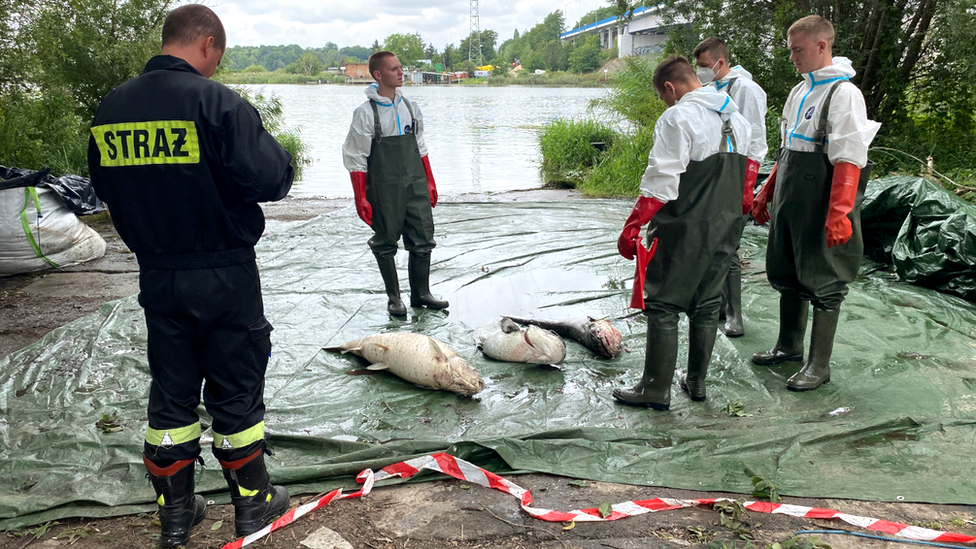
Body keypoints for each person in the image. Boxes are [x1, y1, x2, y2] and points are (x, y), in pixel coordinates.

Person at [87, 5, 292, 546]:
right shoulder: (217, 101)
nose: (215, 63)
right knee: (236, 388)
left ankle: (175, 515)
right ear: (207, 44)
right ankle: (253, 503)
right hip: (223, 272)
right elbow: (272, 179)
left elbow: (105, 188)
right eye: (217, 54)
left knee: (172, 393)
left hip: (157, 274)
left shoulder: (111, 109)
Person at [750, 15, 881, 391]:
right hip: (791, 193)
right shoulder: (799, 91)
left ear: (822, 46)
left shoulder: (844, 94)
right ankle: (788, 346)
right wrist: (766, 191)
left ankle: (818, 365)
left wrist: (840, 212)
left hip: (822, 196)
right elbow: (789, 147)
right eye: (790, 50)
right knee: (787, 270)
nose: (792, 56)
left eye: (798, 50)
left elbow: (848, 158)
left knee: (824, 277)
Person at [616, 55, 751, 410]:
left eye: (664, 96)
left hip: (684, 226)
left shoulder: (677, 117)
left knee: (662, 304)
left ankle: (655, 389)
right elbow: (748, 174)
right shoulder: (737, 119)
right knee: (706, 306)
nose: (666, 102)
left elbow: (661, 182)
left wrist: (633, 225)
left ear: (670, 88)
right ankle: (697, 382)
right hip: (726, 225)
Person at [342, 51, 447, 317]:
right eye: (394, 69)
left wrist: (430, 182)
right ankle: (394, 298)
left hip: (415, 183)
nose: (401, 73)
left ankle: (421, 294)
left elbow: (420, 147)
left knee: (423, 236)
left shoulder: (410, 107)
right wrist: (360, 197)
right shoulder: (366, 114)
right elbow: (356, 157)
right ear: (378, 75)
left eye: (401, 68)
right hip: (383, 187)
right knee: (386, 240)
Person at [694, 37, 768, 338]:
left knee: (729, 245)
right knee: (714, 242)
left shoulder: (746, 90)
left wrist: (746, 186)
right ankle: (722, 306)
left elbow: (755, 141)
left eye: (703, 66)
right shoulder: (713, 90)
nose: (700, 72)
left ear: (720, 63)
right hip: (715, 170)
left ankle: (735, 314)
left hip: (737, 173)